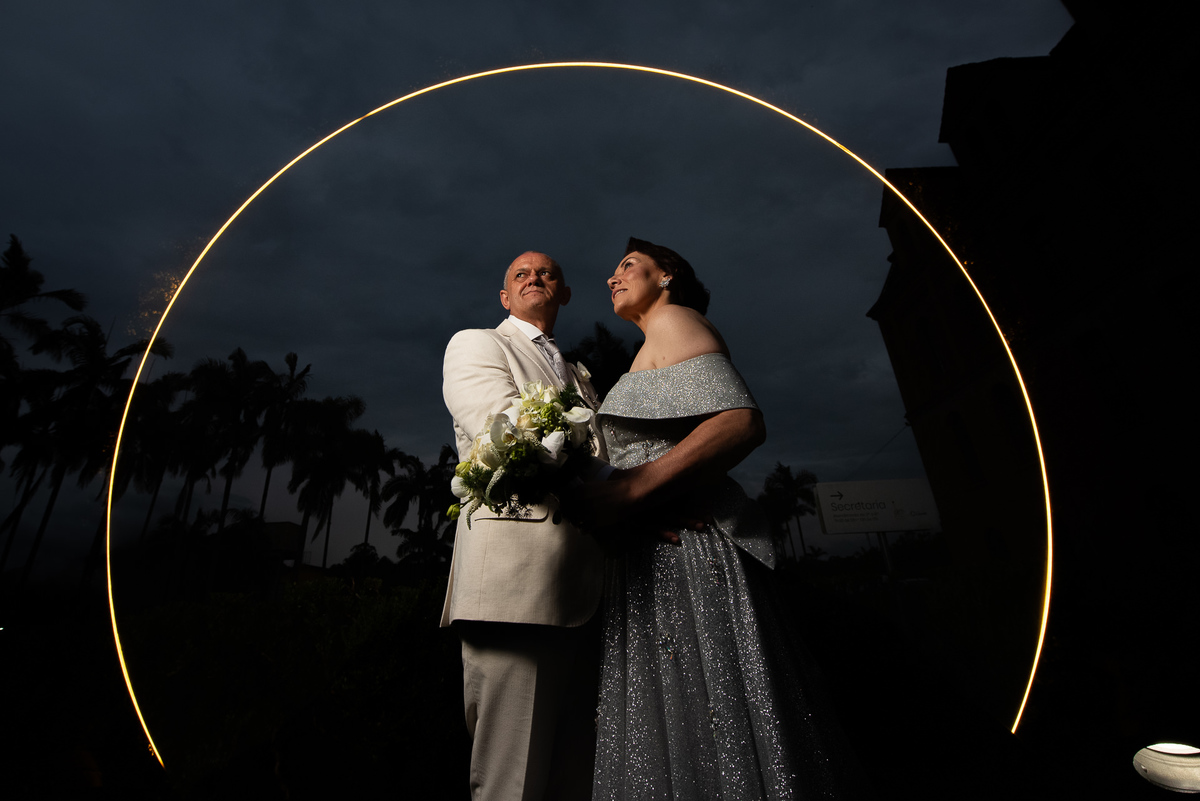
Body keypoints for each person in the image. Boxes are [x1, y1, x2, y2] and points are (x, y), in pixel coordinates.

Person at [589, 238, 864, 799]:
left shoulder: (676, 320)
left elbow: (739, 421)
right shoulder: (650, 344)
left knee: (710, 699)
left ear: (667, 276)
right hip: (653, 555)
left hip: (686, 552)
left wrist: (632, 491)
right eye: (613, 270)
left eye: (628, 266)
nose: (613, 278)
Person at [441, 251, 608, 801]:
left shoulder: (579, 373)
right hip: (513, 588)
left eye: (547, 273)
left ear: (564, 293)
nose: (535, 277)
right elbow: (506, 432)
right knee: (512, 781)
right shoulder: (477, 344)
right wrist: (628, 488)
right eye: (521, 274)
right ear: (504, 297)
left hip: (588, 590)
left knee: (575, 775)